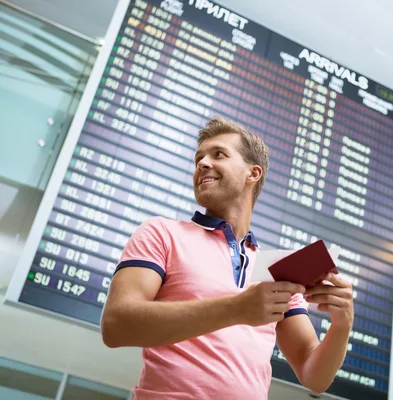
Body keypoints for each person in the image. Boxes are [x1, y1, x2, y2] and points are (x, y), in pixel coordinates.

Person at [101, 117, 354, 399]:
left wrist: (341, 326)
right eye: (199, 158)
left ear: (252, 173)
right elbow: (116, 325)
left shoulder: (278, 271)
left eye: (218, 154)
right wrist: (236, 309)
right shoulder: (161, 233)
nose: (202, 163)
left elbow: (314, 375)